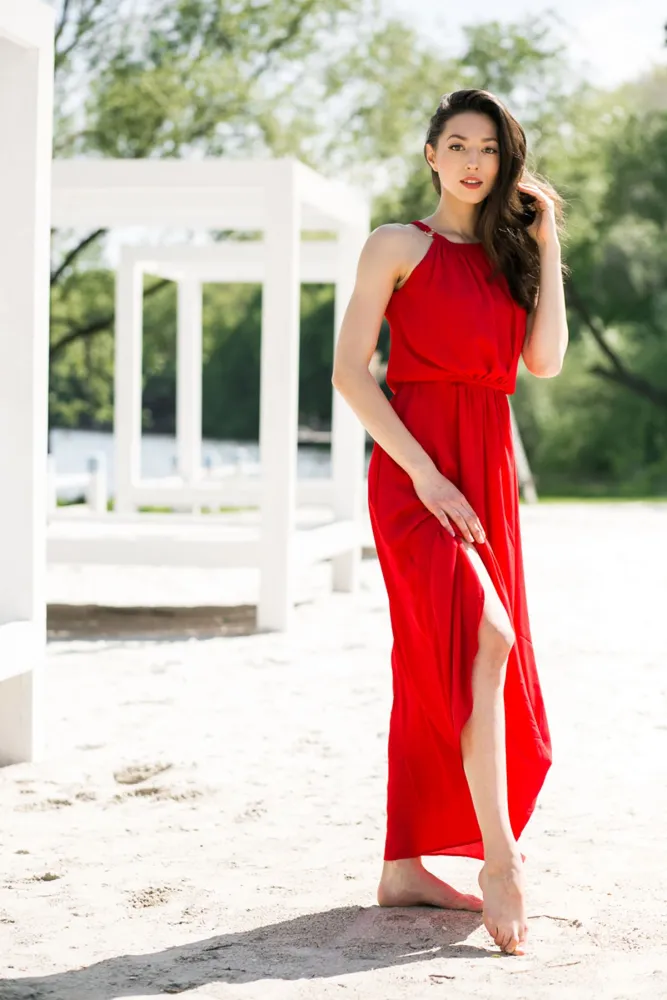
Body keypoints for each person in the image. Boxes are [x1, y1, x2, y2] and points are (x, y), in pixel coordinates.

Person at [331, 88, 569, 957]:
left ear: (506, 165)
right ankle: (499, 863)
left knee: (440, 658)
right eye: (457, 144)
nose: (474, 160)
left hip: (485, 471)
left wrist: (547, 243)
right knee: (488, 637)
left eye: (490, 149)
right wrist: (424, 475)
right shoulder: (395, 245)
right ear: (429, 154)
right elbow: (351, 374)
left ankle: (401, 864)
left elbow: (540, 361)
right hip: (414, 471)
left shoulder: (513, 259)